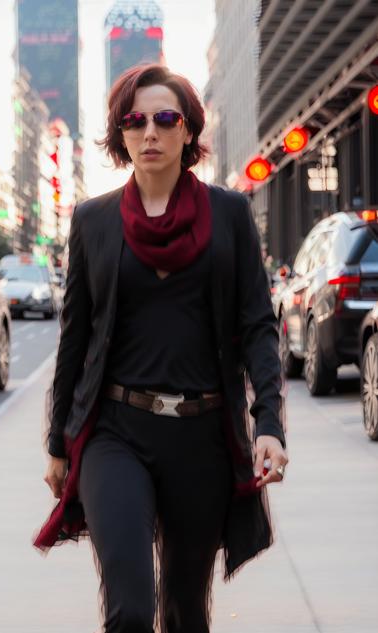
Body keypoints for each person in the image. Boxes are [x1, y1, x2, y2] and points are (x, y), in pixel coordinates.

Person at [34, 64, 288, 633]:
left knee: (183, 611)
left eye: (165, 118)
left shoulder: (229, 216)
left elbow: (256, 328)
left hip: (201, 437)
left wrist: (269, 422)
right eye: (135, 120)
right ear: (121, 135)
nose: (150, 131)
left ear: (187, 131)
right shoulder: (93, 221)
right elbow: (75, 338)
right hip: (114, 432)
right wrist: (58, 443)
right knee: (129, 608)